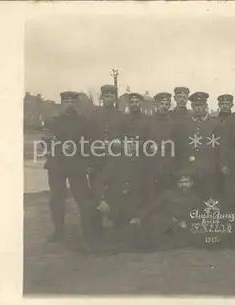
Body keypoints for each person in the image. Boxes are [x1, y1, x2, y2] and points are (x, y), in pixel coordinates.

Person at [92, 92, 150, 228]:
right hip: (119, 199)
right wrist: (102, 201)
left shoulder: (143, 164)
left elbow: (148, 191)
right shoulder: (117, 161)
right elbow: (99, 183)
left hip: (135, 202)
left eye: (137, 102)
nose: (135, 104)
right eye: (132, 102)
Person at [42, 102, 95, 245]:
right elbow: (45, 140)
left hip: (76, 164)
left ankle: (87, 231)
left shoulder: (84, 123)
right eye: (66, 102)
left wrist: (86, 159)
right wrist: (49, 150)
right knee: (57, 199)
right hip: (57, 165)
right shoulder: (53, 122)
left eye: (73, 101)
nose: (70, 105)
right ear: (62, 104)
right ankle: (58, 231)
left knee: (83, 197)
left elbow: (90, 143)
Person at [129, 170, 203, 249]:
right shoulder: (168, 194)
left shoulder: (196, 198)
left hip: (186, 224)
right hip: (167, 221)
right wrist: (139, 217)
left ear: (191, 183)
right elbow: (152, 206)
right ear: (177, 184)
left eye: (186, 182)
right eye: (181, 182)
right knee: (155, 220)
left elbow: (200, 214)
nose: (183, 185)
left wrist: (187, 222)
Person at [173, 91, 221, 201]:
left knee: (208, 200)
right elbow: (178, 147)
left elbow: (220, 148)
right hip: (188, 170)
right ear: (192, 106)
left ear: (206, 106)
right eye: (195, 106)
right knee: (190, 200)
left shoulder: (215, 124)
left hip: (209, 170)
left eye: (201, 105)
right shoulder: (183, 124)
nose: (198, 108)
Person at [145, 92, 178, 197]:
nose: (164, 106)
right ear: (156, 105)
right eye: (161, 104)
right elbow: (141, 141)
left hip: (168, 165)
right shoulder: (148, 122)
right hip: (151, 164)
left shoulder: (173, 123)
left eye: (167, 104)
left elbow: (177, 144)